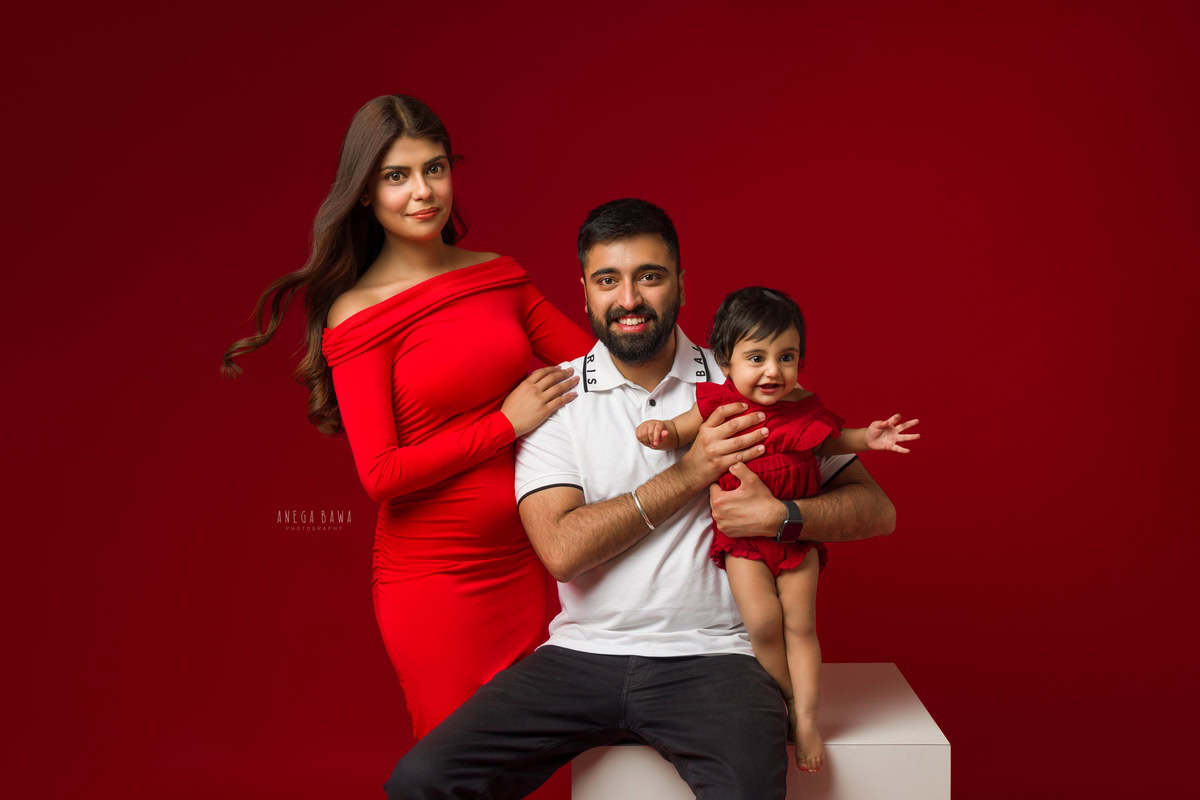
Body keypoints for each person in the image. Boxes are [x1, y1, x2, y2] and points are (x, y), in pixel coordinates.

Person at [384, 198, 897, 799]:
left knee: (751, 790)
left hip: (714, 659)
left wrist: (783, 517)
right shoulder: (555, 400)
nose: (629, 299)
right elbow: (561, 550)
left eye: (649, 276)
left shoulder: (746, 376)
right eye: (608, 280)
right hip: (581, 655)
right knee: (422, 780)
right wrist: (693, 470)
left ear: (681, 282)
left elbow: (877, 511)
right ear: (584, 293)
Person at [221, 94, 592, 742]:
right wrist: (506, 423)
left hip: (528, 562)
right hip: (436, 585)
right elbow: (381, 475)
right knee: (456, 768)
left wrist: (726, 387)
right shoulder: (358, 314)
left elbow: (600, 374)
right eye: (397, 176)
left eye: (435, 168)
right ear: (364, 192)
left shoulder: (498, 278)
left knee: (532, 767)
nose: (423, 192)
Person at [635, 286, 920, 773]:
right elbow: (680, 430)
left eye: (786, 357)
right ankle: (786, 697)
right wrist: (660, 432)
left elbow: (831, 443)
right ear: (725, 361)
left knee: (801, 626)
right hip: (743, 545)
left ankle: (807, 718)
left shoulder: (804, 405)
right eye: (757, 357)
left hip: (796, 539)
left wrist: (870, 440)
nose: (773, 371)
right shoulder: (716, 404)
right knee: (763, 626)